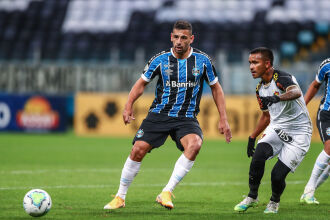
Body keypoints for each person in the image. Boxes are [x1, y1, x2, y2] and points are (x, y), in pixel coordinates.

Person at [103, 20, 232, 210]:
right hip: (159, 114)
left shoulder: (203, 61)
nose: (179, 41)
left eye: (183, 38)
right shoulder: (160, 59)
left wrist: (223, 118)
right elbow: (141, 83)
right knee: (137, 150)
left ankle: (167, 191)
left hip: (186, 117)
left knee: (195, 144)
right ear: (171, 37)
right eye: (176, 37)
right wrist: (128, 105)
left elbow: (216, 89)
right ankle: (120, 197)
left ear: (191, 39)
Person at [234, 47, 312, 214]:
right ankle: (252, 197)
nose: (251, 67)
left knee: (277, 175)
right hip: (277, 127)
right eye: (250, 63)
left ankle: (274, 202)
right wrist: (252, 136)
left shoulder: (282, 78)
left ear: (267, 64)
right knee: (258, 157)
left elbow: (296, 92)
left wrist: (277, 97)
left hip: (299, 133)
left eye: (255, 62)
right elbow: (266, 117)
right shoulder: (260, 89)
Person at [300, 58, 330, 204]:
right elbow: (315, 84)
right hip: (326, 113)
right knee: (329, 148)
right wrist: (302, 105)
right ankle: (309, 190)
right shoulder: (327, 65)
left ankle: (308, 192)